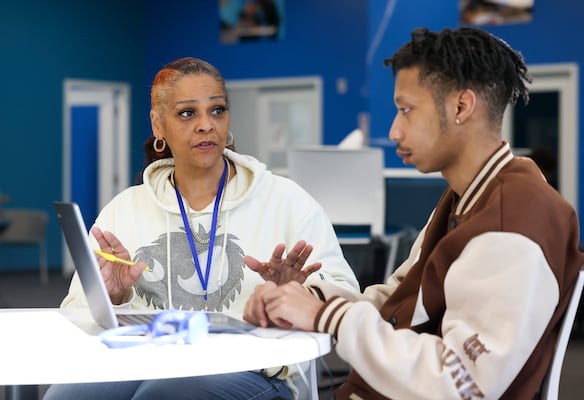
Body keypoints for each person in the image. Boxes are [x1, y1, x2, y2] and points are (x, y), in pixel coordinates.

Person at [243, 27, 584, 399]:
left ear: (460, 106)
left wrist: (327, 318)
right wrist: (307, 298)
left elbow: (464, 384)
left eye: (406, 110)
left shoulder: (514, 219)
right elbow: (397, 303)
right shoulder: (465, 197)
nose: (393, 131)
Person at [44, 57, 359, 400]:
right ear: (157, 125)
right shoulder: (125, 209)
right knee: (66, 395)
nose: (206, 125)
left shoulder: (286, 201)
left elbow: (348, 294)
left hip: (257, 371)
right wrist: (114, 297)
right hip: (147, 362)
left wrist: (298, 294)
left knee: (163, 396)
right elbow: (74, 313)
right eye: (187, 113)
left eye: (217, 110)